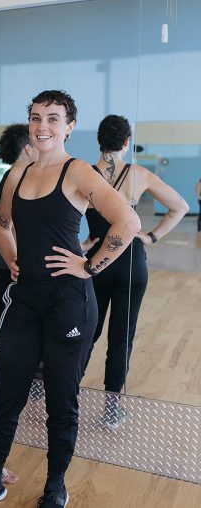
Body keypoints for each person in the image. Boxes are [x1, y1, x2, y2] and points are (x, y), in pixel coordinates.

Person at [0, 90, 141, 507]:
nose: (43, 126)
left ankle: (55, 486)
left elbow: (129, 220)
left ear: (69, 126)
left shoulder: (79, 171)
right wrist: (13, 259)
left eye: (53, 118)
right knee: (7, 391)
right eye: (36, 117)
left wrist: (90, 266)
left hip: (69, 300)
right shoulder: (21, 172)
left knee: (60, 398)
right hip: (25, 297)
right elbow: (2, 222)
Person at [82, 114, 189, 428]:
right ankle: (112, 409)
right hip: (131, 262)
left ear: (99, 142)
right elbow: (180, 206)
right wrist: (151, 236)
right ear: (126, 143)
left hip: (98, 263)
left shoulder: (83, 175)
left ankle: (68, 395)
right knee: (121, 338)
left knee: (88, 331)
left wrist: (85, 244)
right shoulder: (139, 174)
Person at [0, 123, 39, 367]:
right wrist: (18, 261)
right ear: (28, 149)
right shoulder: (17, 178)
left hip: (6, 262)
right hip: (10, 262)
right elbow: (12, 226)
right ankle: (0, 370)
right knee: (6, 319)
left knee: (8, 316)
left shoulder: (15, 176)